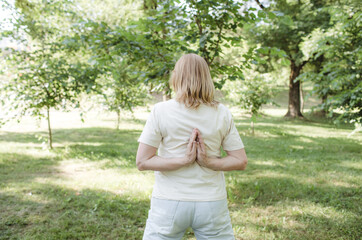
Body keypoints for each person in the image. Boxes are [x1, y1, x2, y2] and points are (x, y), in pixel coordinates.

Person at [136, 53, 248, 240]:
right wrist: (207, 162)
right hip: (211, 203)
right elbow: (240, 161)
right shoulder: (221, 112)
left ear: (177, 77)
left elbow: (142, 161)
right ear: (206, 77)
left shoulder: (160, 110)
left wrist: (185, 160)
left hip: (168, 203)